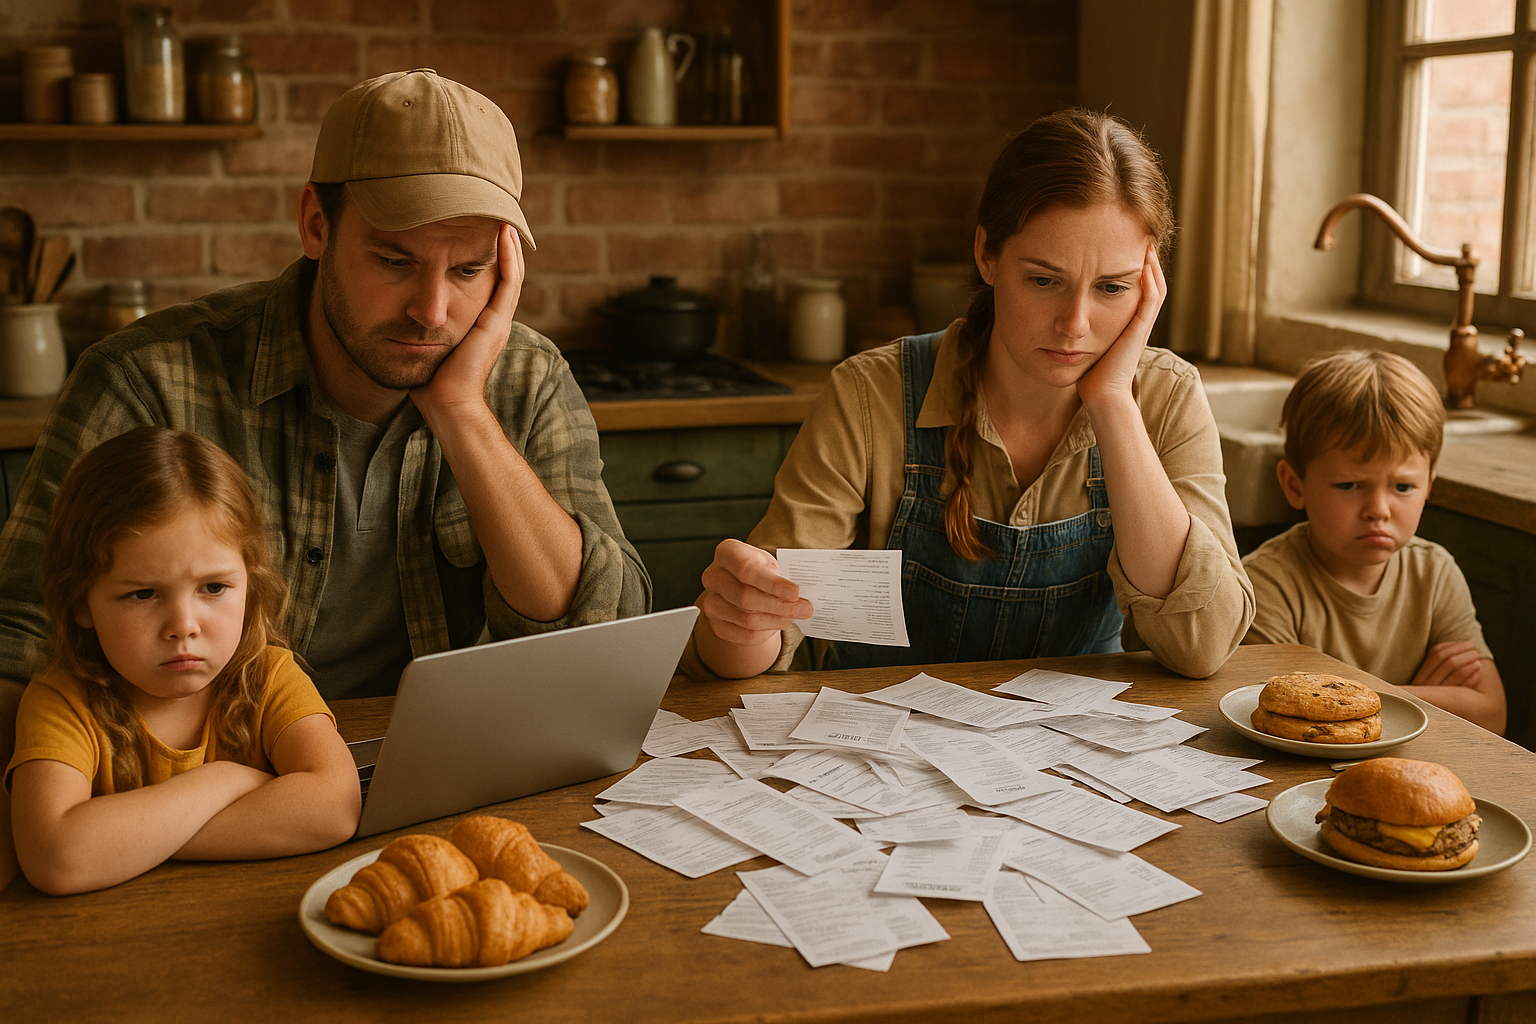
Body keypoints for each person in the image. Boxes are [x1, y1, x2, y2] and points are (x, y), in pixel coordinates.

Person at [0, 70, 647, 888]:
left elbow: (601, 630)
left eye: (469, 271)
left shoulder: (523, 379)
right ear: (315, 224)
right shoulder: (147, 380)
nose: (432, 312)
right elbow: (20, 642)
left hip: (445, 807)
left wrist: (462, 413)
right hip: (169, 832)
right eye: (394, 259)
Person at [690, 109, 1253, 680]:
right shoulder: (870, 394)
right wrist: (742, 621)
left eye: (1112, 288)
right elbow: (752, 648)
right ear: (987, 253)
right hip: (881, 748)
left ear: (1149, 284)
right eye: (1044, 280)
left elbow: (1200, 647)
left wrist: (1112, 402)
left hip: (1068, 754)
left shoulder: (1167, 398)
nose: (1075, 324)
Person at [8, 428, 360, 895]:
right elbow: (58, 858)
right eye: (143, 594)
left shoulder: (268, 676)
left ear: (249, 584)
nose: (183, 625)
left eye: (213, 588)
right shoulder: (62, 702)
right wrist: (226, 780)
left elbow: (334, 807)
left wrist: (128, 843)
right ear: (80, 603)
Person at [1242, 349, 1506, 734]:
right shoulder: (1264, 585)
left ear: (1429, 486)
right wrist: (1420, 694)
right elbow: (1286, 721)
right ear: (1294, 485)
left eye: (1403, 486)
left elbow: (1491, 715)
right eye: (1349, 485)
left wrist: (1353, 701)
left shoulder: (1434, 571)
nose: (1378, 509)